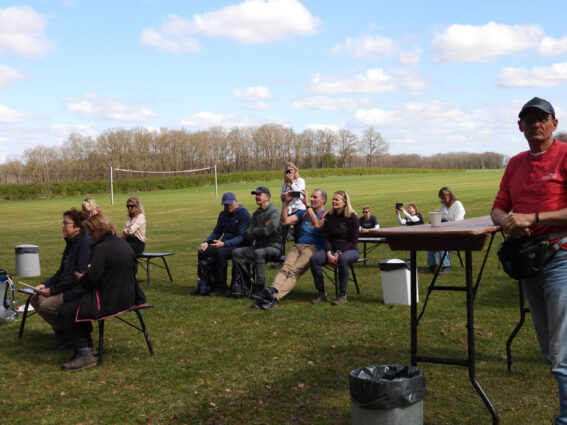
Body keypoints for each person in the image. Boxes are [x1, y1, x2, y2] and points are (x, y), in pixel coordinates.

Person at [491, 97, 567, 425]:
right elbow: (498, 207)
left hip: (561, 257)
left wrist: (533, 217)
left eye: (542, 119)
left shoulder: (565, 155)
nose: (536, 124)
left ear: (554, 124)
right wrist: (506, 222)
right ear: (520, 126)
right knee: (549, 348)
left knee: (562, 352)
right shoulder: (515, 163)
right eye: (529, 119)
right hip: (528, 260)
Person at [58, 214, 146, 371]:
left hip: (111, 299)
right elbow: (133, 269)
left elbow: (91, 280)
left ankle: (85, 353)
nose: (90, 237)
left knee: (66, 311)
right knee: (77, 305)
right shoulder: (121, 243)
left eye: (90, 233)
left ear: (98, 231)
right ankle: (88, 347)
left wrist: (81, 278)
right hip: (130, 295)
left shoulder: (101, 248)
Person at [252, 189, 327, 310]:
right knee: (285, 268)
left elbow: (317, 225)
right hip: (298, 246)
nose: (311, 199)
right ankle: (272, 290)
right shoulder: (303, 213)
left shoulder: (326, 216)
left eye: (315, 197)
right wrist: (286, 203)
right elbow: (284, 221)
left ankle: (274, 298)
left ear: (323, 200)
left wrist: (307, 205)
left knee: (294, 272)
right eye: (311, 197)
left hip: (313, 248)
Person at [31, 209, 92, 349]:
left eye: (65, 223)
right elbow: (61, 272)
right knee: (34, 299)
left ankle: (71, 334)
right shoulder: (71, 243)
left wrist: (52, 290)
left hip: (77, 290)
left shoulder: (84, 244)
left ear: (77, 227)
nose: (62, 225)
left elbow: (76, 276)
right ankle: (64, 333)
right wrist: (44, 285)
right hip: (66, 286)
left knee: (46, 306)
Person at [193, 192, 251, 296]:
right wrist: (206, 242)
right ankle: (204, 284)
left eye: (230, 204)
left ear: (236, 201)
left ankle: (221, 287)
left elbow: (241, 237)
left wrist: (224, 243)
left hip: (240, 245)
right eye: (225, 204)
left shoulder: (244, 214)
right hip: (224, 244)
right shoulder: (223, 214)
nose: (228, 206)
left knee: (221, 253)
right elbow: (217, 232)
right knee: (202, 251)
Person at [310, 191, 360, 305]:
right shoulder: (329, 216)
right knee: (314, 259)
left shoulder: (353, 218)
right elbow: (327, 237)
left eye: (336, 199)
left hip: (350, 250)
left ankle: (342, 295)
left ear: (345, 202)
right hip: (332, 250)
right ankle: (321, 293)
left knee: (343, 259)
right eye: (333, 199)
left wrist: (339, 252)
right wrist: (328, 252)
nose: (333, 201)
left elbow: (353, 242)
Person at [231, 187, 282, 295]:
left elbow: (267, 231)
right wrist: (260, 230)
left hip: (274, 247)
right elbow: (247, 234)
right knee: (236, 252)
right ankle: (245, 284)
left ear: (267, 197)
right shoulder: (255, 214)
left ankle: (260, 286)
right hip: (258, 247)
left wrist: (255, 231)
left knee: (259, 253)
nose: (256, 197)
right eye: (256, 195)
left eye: (259, 194)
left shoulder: (275, 212)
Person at [425, 187, 465, 274]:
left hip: (456, 233)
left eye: (444, 198)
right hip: (444, 232)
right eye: (441, 198)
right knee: (430, 241)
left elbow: (458, 222)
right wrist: (435, 219)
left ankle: (446, 266)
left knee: (442, 242)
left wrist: (445, 222)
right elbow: (442, 217)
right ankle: (433, 265)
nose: (442, 200)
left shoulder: (458, 205)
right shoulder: (443, 205)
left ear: (450, 195)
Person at [279, 162, 306, 253]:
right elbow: (285, 200)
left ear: (295, 171)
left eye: (291, 170)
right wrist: (283, 197)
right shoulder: (284, 183)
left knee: (298, 234)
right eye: (287, 171)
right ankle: (281, 256)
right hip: (288, 209)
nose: (289, 172)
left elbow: (300, 195)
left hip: (298, 208)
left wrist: (291, 182)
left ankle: (299, 254)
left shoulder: (300, 181)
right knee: (282, 234)